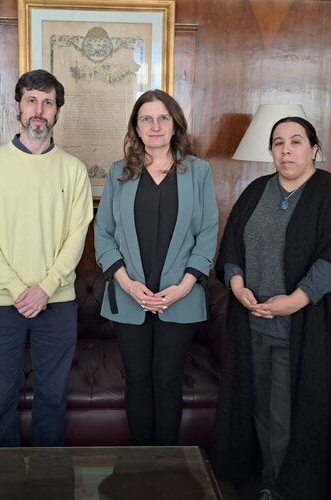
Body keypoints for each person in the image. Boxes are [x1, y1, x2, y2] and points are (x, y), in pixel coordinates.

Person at [210, 116, 331, 500]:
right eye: (278, 143)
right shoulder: (256, 191)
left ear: (314, 149)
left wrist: (294, 301)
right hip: (252, 319)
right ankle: (265, 480)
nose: (286, 150)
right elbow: (232, 246)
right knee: (259, 407)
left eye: (296, 141)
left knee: (286, 411)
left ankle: (282, 489)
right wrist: (237, 286)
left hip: (302, 324)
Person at [0, 69, 93, 447]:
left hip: (57, 305)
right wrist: (20, 288)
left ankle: (47, 481)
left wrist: (46, 288)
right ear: (17, 107)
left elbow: (77, 235)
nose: (40, 109)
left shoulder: (73, 169)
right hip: (1, 305)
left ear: (57, 112)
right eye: (32, 101)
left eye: (48, 102)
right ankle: (3, 483)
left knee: (52, 401)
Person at [94, 89, 218, 445]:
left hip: (180, 297)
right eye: (146, 118)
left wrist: (184, 286)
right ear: (136, 126)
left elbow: (208, 232)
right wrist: (128, 284)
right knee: (137, 379)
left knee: (167, 380)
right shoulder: (120, 172)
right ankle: (141, 464)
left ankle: (167, 464)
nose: (155, 125)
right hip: (129, 296)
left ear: (175, 123)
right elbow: (103, 234)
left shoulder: (198, 171)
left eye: (163, 117)